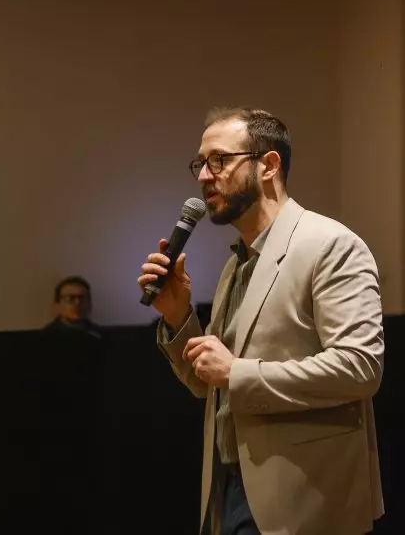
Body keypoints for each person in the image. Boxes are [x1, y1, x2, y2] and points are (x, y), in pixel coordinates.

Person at [137, 107, 384, 535]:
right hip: (228, 485)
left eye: (220, 160)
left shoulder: (331, 246)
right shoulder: (237, 263)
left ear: (268, 165)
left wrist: (237, 372)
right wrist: (179, 316)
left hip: (302, 496)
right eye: (200, 163)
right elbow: (209, 382)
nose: (203, 176)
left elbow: (360, 367)